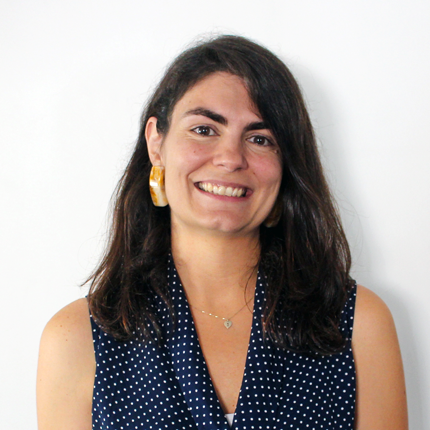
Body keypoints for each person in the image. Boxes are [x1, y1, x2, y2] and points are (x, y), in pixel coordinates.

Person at [37, 35, 407, 429]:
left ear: (287, 166)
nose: (231, 158)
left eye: (260, 139)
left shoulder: (357, 324)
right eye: (204, 129)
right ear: (156, 143)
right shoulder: (75, 339)